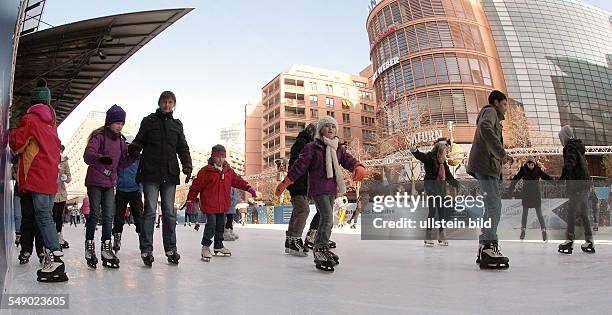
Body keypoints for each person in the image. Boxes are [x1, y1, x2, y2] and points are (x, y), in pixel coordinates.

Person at [275, 116, 367, 272]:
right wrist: (286, 182)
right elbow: (299, 166)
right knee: (327, 218)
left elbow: (347, 160)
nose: (331, 128)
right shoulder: (312, 147)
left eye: (333, 126)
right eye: (327, 126)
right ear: (320, 130)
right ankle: (319, 249)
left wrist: (358, 166)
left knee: (327, 218)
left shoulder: (338, 148)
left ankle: (322, 247)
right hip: (318, 189)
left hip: (332, 188)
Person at [9, 79, 68, 282]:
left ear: (33, 103)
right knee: (46, 217)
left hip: (37, 176)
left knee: (42, 217)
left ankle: (56, 258)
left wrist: (10, 131)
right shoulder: (51, 125)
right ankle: (51, 257)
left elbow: (17, 143)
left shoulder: (31, 120)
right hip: (50, 179)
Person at [129, 91, 193, 266]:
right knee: (150, 211)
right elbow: (139, 140)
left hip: (170, 173)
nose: (167, 105)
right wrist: (134, 148)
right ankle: (146, 249)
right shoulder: (149, 121)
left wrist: (187, 165)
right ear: (159, 103)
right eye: (164, 102)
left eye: (170, 102)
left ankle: (171, 248)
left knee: (169, 212)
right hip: (150, 172)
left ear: (174, 104)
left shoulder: (177, 125)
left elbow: (183, 147)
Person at [83, 105, 135, 269]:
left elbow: (121, 163)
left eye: (122, 123)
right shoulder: (99, 137)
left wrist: (133, 157)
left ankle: (106, 248)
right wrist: (101, 158)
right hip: (95, 181)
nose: (120, 126)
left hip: (109, 182)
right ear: (109, 122)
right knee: (95, 214)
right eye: (117, 123)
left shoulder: (121, 141)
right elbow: (88, 155)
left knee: (108, 216)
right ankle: (89, 246)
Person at [466, 90, 514, 270]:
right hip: (485, 166)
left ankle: (485, 245)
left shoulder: (494, 116)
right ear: (495, 102)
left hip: (488, 167)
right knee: (494, 205)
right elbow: (485, 128)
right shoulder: (490, 112)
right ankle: (488, 245)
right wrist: (501, 154)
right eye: (504, 104)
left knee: (491, 206)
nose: (506, 109)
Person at [186, 145, 257, 262]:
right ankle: (205, 246)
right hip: (210, 204)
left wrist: (248, 188)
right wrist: (190, 202)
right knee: (212, 224)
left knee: (220, 226)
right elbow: (195, 188)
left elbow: (238, 181)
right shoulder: (205, 171)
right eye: (217, 157)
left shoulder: (228, 171)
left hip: (223, 205)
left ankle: (218, 245)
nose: (220, 159)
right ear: (212, 156)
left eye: (222, 157)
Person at [411, 140, 459, 247]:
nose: (445, 154)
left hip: (441, 189)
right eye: (444, 152)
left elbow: (449, 176)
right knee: (432, 212)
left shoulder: (443, 163)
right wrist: (414, 150)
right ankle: (428, 236)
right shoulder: (429, 158)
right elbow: (420, 156)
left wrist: (456, 184)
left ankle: (441, 236)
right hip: (431, 189)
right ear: (439, 152)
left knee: (442, 212)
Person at [557, 125, 595, 254]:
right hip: (583, 183)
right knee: (583, 212)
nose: (561, 141)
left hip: (578, 185)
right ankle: (589, 240)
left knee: (572, 211)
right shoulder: (577, 147)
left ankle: (570, 240)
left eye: (561, 138)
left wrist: (562, 178)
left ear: (564, 137)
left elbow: (570, 164)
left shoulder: (571, 147)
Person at [284, 123, 316, 256]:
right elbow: (297, 164)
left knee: (297, 211)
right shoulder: (303, 143)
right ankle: (295, 239)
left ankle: (290, 240)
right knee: (303, 210)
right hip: (298, 183)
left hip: (298, 182)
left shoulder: (302, 142)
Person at [508, 156, 552, 241]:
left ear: (534, 164)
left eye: (532, 164)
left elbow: (545, 177)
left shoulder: (538, 170)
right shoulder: (523, 170)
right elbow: (516, 178)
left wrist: (555, 182)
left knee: (539, 214)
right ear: (527, 164)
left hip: (535, 194)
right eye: (529, 164)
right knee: (525, 214)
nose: (530, 166)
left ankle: (543, 230)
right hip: (527, 194)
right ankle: (523, 230)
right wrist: (511, 188)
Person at [112, 136, 143, 253]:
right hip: (121, 191)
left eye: (128, 145)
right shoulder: (119, 157)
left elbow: (143, 173)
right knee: (119, 218)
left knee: (138, 217)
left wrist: (141, 187)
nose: (126, 147)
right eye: (125, 145)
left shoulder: (138, 158)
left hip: (135, 191)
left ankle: (142, 239)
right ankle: (117, 238)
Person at [53, 144, 71, 249]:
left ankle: (59, 235)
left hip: (62, 194)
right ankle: (51, 237)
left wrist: (66, 178)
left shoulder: (65, 161)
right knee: (52, 216)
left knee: (59, 217)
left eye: (61, 150)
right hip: (52, 193)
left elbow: (69, 176)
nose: (60, 152)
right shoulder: (51, 159)